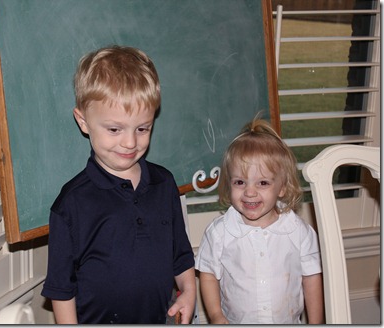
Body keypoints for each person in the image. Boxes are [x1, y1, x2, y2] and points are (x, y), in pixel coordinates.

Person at [41, 45, 196, 324]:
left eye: (142, 128)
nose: (130, 143)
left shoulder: (164, 184)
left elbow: (181, 255)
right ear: (83, 121)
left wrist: (188, 291)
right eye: (114, 129)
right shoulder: (71, 204)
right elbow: (61, 289)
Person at [195, 117, 324, 324]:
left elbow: (311, 278)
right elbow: (208, 274)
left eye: (262, 182)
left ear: (282, 187)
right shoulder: (219, 232)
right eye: (239, 182)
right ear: (229, 185)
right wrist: (216, 315)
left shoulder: (298, 232)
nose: (249, 192)